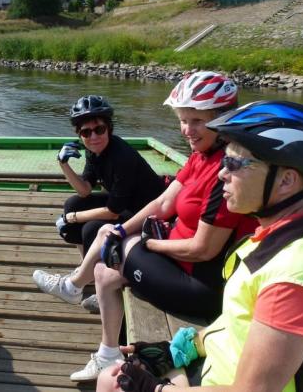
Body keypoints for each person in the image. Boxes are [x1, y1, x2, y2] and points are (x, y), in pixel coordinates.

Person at [36, 72, 258, 382]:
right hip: (177, 259)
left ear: (222, 119)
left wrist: (145, 244)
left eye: (196, 121)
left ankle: (75, 292)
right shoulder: (200, 156)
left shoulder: (226, 171)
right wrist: (123, 231)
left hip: (200, 285)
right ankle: (104, 347)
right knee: (106, 252)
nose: (186, 130)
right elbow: (164, 204)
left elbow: (201, 249)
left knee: (110, 246)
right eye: (183, 120)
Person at [96, 100, 303, 392]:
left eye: (235, 163)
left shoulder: (293, 276)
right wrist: (185, 347)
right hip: (216, 367)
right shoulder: (274, 239)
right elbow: (238, 322)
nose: (222, 173)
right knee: (112, 377)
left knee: (112, 383)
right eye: (224, 160)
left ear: (287, 181)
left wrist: (159, 390)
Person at [33, 95, 166, 309]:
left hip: (147, 215)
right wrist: (63, 164)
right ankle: (88, 273)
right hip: (126, 205)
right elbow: (84, 190)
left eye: (99, 129)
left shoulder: (122, 157)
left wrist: (71, 219)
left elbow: (113, 212)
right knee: (73, 203)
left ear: (109, 128)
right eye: (86, 132)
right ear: (79, 134)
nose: (93, 137)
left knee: (90, 228)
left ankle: (84, 286)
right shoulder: (95, 151)